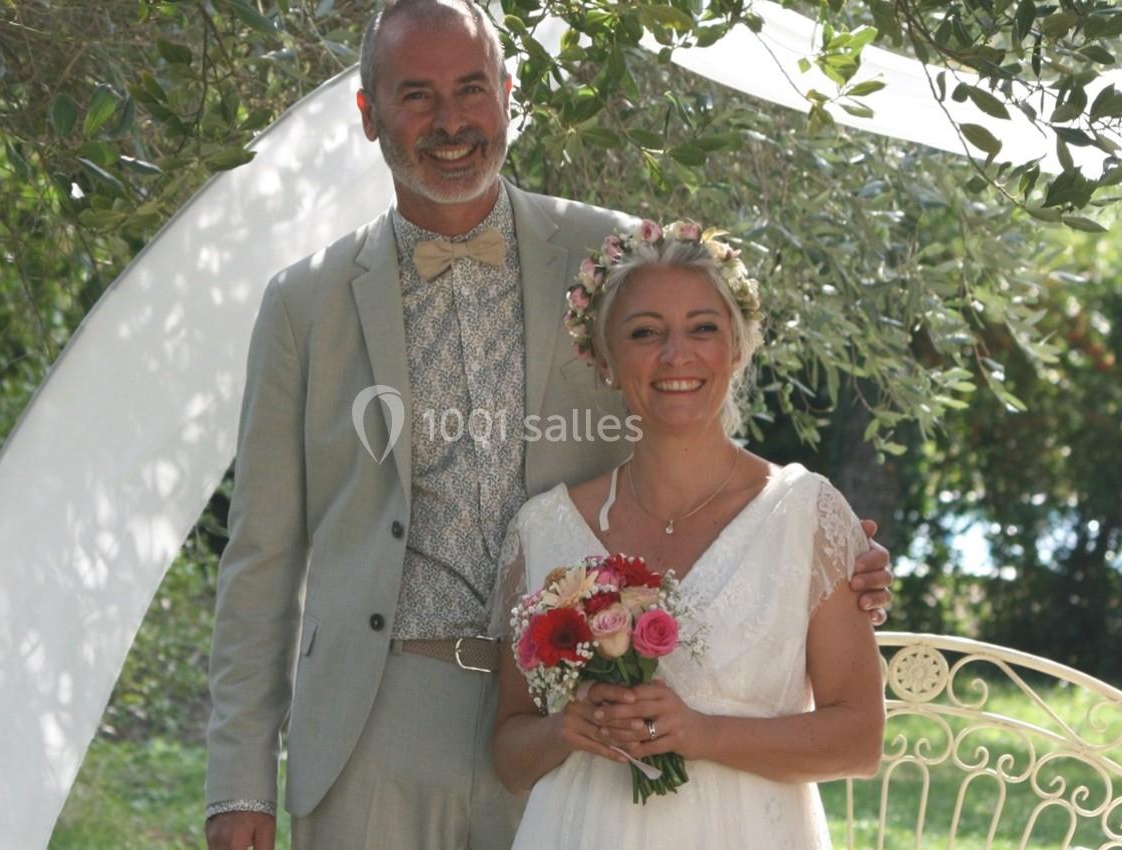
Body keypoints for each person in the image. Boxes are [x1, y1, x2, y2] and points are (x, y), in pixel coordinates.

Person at [204, 2, 893, 849]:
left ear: (508, 91)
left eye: (470, 88)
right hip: (371, 728)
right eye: (416, 95)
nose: (451, 120)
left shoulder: (613, 259)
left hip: (581, 723)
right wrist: (238, 784)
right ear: (368, 113)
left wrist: (822, 555)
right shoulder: (302, 304)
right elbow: (261, 558)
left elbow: (696, 425)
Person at [490, 222, 886, 847]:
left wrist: (701, 733)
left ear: (736, 348)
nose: (677, 355)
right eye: (645, 333)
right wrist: (568, 727)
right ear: (605, 360)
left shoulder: (806, 515)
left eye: (702, 328)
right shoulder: (542, 530)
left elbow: (860, 741)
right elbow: (510, 758)